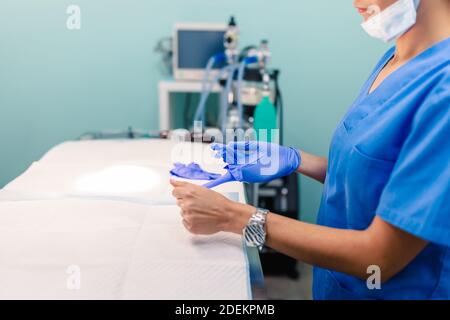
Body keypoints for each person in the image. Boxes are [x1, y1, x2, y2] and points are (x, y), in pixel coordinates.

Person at [171, 0, 450, 299]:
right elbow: (377, 178)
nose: (355, 2)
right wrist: (296, 160)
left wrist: (234, 217)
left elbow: (380, 257)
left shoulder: (442, 92)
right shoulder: (394, 60)